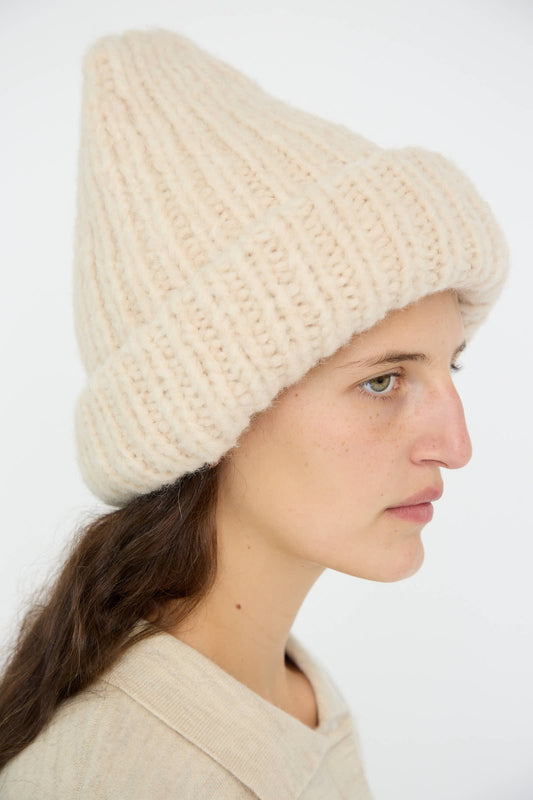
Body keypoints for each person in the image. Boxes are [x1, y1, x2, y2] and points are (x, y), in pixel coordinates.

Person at [0, 26, 508, 800]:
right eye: (383, 382)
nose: (455, 445)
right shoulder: (132, 773)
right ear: (210, 412)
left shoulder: (284, 687)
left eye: (449, 366)